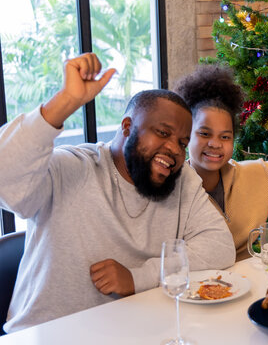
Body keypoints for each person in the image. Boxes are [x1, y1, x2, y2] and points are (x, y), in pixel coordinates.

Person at [0, 53, 235, 333]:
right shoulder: (71, 167)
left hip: (132, 332)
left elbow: (219, 247)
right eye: (162, 132)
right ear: (127, 127)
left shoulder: (182, 179)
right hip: (45, 336)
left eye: (182, 142)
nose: (174, 149)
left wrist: (137, 278)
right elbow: (7, 184)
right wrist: (65, 102)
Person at [173, 65, 268, 260]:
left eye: (225, 137)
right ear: (187, 135)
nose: (215, 144)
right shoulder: (172, 190)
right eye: (204, 133)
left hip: (250, 282)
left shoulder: (253, 175)